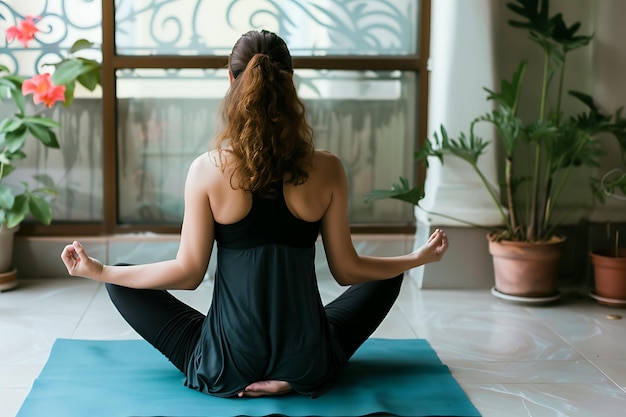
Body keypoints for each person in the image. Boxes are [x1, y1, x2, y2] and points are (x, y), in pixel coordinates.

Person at [60, 29, 448, 399]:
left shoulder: (206, 170)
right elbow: (347, 270)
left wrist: (100, 271)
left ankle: (264, 361)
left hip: (227, 363)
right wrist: (416, 259)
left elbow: (189, 273)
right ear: (290, 83)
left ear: (231, 81)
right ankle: (293, 373)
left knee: (121, 277)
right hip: (307, 360)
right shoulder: (327, 168)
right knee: (388, 275)